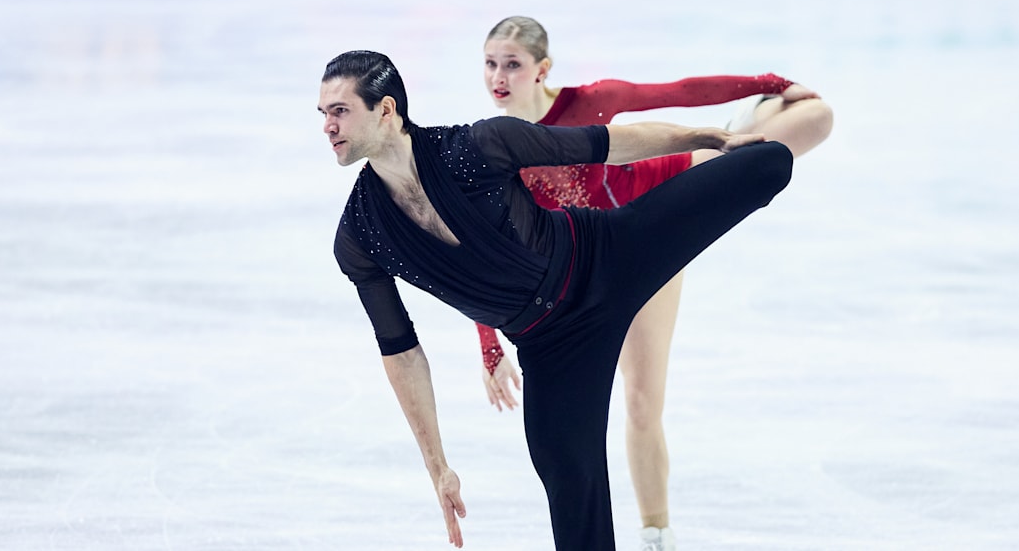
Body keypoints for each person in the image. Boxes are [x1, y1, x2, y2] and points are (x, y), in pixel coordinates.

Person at [324, 49, 812, 550]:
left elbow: (605, 145)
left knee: (768, 162)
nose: (328, 126)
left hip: (608, 256)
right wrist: (438, 467)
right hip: (551, 347)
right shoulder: (361, 235)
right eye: (323, 114)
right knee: (569, 484)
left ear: (386, 110)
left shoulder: (476, 145)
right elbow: (401, 350)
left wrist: (708, 137)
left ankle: (742, 127)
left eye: (340, 110)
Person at [474, 16, 833, 550]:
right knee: (631, 404)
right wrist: (489, 346)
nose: (498, 77)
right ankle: (654, 534)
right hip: (596, 267)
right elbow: (484, 249)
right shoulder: (496, 149)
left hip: (662, 214)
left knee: (818, 117)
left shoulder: (589, 104)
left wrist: (772, 83)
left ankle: (656, 537)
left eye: (512, 64)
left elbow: (681, 92)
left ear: (542, 69)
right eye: (490, 64)